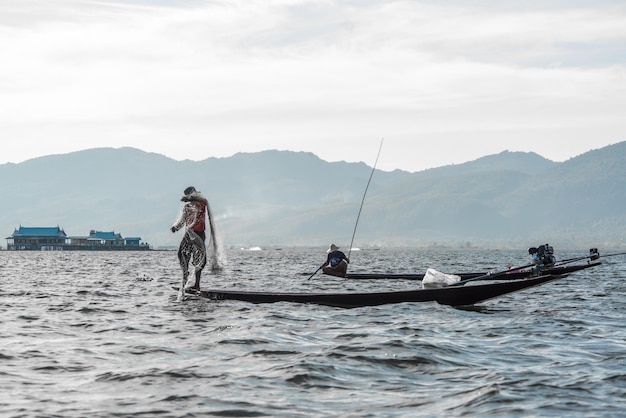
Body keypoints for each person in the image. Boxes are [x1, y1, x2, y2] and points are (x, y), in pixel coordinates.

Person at [171, 186, 208, 290]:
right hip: (189, 235)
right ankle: (185, 277)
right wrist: (176, 227)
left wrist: (189, 199)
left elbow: (205, 201)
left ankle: (197, 285)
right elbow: (183, 220)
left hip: (199, 234)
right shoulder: (187, 207)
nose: (189, 196)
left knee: (199, 258)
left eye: (191, 194)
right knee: (182, 254)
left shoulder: (201, 204)